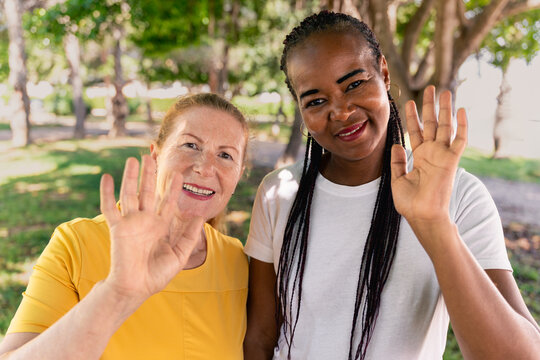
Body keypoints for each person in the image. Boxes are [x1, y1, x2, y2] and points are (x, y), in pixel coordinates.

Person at [243, 11, 540, 360]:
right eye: (316, 100)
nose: (340, 111)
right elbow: (261, 336)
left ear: (384, 72)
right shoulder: (278, 192)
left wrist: (434, 224)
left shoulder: (459, 195)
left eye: (354, 83)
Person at [0, 93, 249, 359]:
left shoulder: (238, 261)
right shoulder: (76, 244)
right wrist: (117, 293)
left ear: (239, 174)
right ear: (155, 156)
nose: (205, 167)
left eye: (225, 155)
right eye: (190, 145)